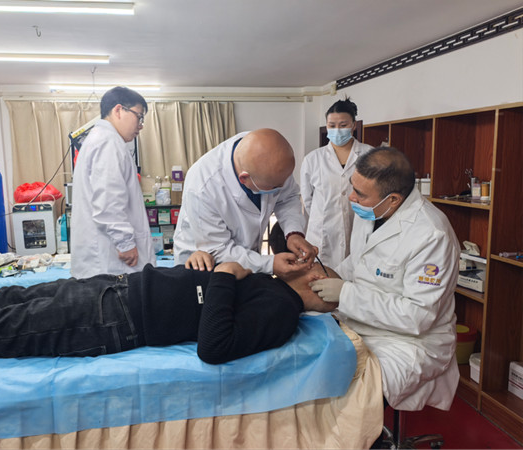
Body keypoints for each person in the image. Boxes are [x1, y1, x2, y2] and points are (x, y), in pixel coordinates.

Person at [0, 252, 336, 368]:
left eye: (315, 265)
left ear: (319, 282)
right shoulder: (271, 285)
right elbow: (212, 297)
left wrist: (226, 275)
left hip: (117, 319)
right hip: (118, 289)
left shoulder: (283, 312)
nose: (306, 261)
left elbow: (215, 345)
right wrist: (207, 263)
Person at [310, 147, 460, 411]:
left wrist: (345, 294)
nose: (351, 197)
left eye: (360, 194)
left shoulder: (431, 235)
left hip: (408, 343)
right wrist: (324, 275)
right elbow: (358, 263)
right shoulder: (372, 211)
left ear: (392, 199)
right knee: (313, 371)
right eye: (352, 187)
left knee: (352, 399)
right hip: (360, 322)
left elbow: (417, 317)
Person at [174, 128, 317, 277]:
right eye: (275, 187)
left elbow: (288, 197)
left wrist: (294, 233)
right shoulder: (202, 187)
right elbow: (218, 249)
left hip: (245, 260)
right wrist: (270, 264)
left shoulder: (270, 155)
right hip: (205, 263)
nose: (281, 188)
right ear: (244, 178)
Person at [70, 86, 155, 279]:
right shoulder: (108, 142)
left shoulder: (99, 140)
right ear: (118, 110)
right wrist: (125, 244)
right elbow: (108, 201)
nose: (141, 125)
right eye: (139, 117)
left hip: (102, 262)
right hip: (111, 264)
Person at [300, 97, 373, 271]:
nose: (337, 130)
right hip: (322, 235)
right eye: (332, 125)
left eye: (343, 125)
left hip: (359, 228)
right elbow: (308, 200)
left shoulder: (370, 155)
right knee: (321, 279)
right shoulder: (313, 159)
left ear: (353, 125)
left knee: (357, 276)